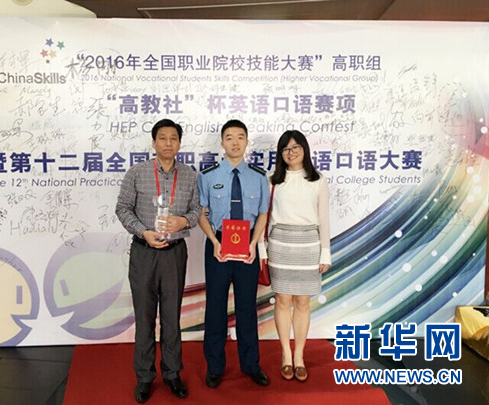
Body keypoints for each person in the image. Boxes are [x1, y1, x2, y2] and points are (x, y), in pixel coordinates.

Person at [115, 119, 201, 403]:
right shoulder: (137, 173)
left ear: (179, 143)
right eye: (162, 138)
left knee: (171, 317)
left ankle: (173, 373)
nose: (168, 143)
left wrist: (182, 221)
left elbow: (197, 210)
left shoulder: (189, 175)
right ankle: (144, 377)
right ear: (154, 142)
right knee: (144, 317)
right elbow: (123, 208)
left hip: (174, 254)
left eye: (173, 138)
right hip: (144, 252)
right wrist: (144, 232)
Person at [197, 119, 270, 388]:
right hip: (218, 245)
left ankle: (251, 365)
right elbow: (201, 214)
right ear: (222, 143)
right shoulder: (208, 176)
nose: (235, 142)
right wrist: (213, 241)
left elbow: (263, 214)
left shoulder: (259, 177)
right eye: (229, 137)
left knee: (246, 307)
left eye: (240, 137)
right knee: (215, 307)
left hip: (247, 245)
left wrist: (254, 243)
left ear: (247, 141)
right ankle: (215, 367)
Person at [267, 130, 331, 382]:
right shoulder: (272, 180)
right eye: (286, 149)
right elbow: (264, 217)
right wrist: (262, 249)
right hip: (280, 244)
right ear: (280, 153)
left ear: (304, 149)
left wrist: (325, 253)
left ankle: (299, 356)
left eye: (296, 147)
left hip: (308, 244)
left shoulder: (318, 180)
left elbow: (323, 218)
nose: (291, 152)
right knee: (283, 300)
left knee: (303, 301)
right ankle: (286, 354)